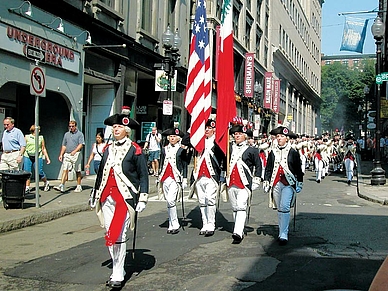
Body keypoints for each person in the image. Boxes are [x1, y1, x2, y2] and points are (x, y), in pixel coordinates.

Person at [91, 113, 149, 289]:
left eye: (120, 127)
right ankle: (119, 268)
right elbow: (101, 173)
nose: (116, 129)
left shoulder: (134, 149)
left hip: (124, 197)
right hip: (106, 195)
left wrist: (143, 197)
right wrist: (94, 194)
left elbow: (143, 174)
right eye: (114, 127)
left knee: (119, 234)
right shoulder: (107, 148)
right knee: (110, 233)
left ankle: (117, 272)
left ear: (127, 130)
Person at [263, 125, 303, 246]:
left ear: (287, 138)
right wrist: (266, 180)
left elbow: (298, 169)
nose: (279, 138)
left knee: (285, 207)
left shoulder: (293, 152)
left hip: (288, 183)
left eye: (282, 136)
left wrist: (299, 182)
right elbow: (269, 167)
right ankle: (281, 230)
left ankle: (284, 234)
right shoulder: (272, 152)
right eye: (278, 136)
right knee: (280, 208)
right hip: (275, 183)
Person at [226, 119, 262, 244]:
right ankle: (239, 230)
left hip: (244, 182)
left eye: (239, 134)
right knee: (235, 207)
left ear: (245, 136)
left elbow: (258, 165)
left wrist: (257, 180)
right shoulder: (229, 147)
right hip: (231, 181)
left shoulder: (252, 150)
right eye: (235, 134)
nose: (237, 136)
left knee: (241, 206)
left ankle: (237, 232)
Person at [192, 119, 225, 236]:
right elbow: (187, 140)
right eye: (205, 128)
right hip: (199, 175)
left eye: (210, 128)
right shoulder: (197, 141)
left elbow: (224, 156)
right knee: (202, 200)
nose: (207, 130)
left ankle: (211, 224)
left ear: (214, 130)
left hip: (212, 175)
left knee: (210, 199)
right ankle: (204, 223)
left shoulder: (217, 142)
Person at [159, 127, 188, 234]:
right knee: (168, 201)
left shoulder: (181, 149)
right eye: (170, 136)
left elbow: (184, 164)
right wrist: (158, 175)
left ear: (178, 138)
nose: (172, 138)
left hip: (176, 178)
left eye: (174, 136)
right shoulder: (164, 149)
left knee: (171, 200)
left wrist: (185, 178)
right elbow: (162, 162)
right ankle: (171, 222)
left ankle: (175, 224)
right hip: (165, 178)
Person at [54, 120, 85, 193]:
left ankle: (79, 185)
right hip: (67, 154)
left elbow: (81, 144)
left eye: (72, 126)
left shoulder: (80, 134)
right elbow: (64, 145)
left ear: (75, 126)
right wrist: (61, 154)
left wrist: (75, 151)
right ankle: (61, 185)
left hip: (76, 154)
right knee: (65, 169)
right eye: (70, 126)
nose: (71, 127)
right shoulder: (66, 134)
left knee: (77, 170)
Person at [23, 125, 51, 193]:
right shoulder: (27, 137)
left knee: (39, 171)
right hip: (28, 155)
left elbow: (43, 148)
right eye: (38, 130)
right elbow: (23, 146)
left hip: (38, 156)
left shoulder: (41, 138)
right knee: (27, 172)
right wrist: (20, 155)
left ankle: (46, 182)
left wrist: (47, 158)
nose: (39, 131)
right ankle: (27, 187)